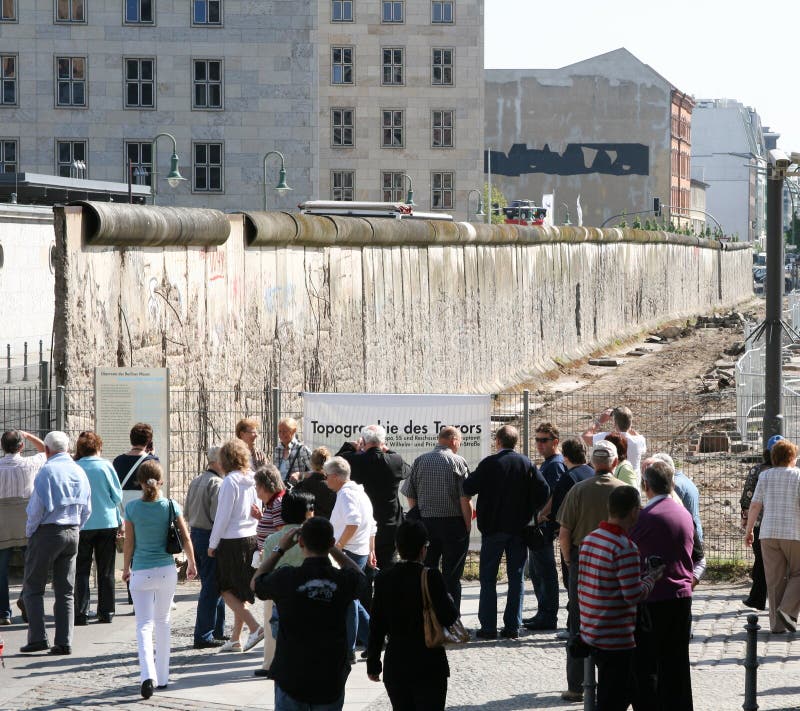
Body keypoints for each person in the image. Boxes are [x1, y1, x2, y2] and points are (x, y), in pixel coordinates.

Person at [254, 517, 368, 711]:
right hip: (329, 674)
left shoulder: (286, 577)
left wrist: (279, 550)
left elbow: (255, 584)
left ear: (300, 542)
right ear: (331, 543)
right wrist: (335, 550)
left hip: (292, 673)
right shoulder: (342, 580)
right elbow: (361, 578)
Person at [578, 486, 663, 711]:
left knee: (617, 692)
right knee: (612, 699)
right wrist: (651, 578)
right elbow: (632, 595)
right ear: (634, 512)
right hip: (615, 637)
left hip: (591, 629)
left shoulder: (591, 538)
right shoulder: (625, 548)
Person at [462, 425, 549, 639]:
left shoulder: (489, 464)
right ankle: (512, 626)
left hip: (492, 529)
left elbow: (467, 487)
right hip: (519, 530)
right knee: (516, 578)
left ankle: (489, 627)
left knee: (488, 579)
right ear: (516, 442)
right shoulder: (526, 463)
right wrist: (531, 512)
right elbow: (544, 490)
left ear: (498, 442)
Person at [556, 440, 625, 703]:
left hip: (582, 561)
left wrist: (568, 560)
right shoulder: (624, 489)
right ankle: (613, 684)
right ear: (615, 462)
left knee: (578, 619)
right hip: (615, 560)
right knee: (613, 618)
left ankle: (577, 685)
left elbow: (564, 533)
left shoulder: (577, 490)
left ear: (592, 464)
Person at [122, 460, 197, 698]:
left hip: (141, 571)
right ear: (161, 481)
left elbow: (129, 543)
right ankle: (163, 677)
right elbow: (185, 538)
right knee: (163, 622)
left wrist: (126, 568)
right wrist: (192, 563)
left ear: (140, 483)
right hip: (166, 570)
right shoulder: (171, 506)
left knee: (144, 625)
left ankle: (147, 675)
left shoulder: (132, 508)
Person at [367, 519, 459, 711]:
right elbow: (449, 617)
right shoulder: (431, 576)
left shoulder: (384, 578)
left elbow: (377, 624)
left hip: (397, 661)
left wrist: (373, 662)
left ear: (398, 547)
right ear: (423, 549)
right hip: (429, 662)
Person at [630, 460, 699, 711]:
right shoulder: (684, 513)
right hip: (682, 594)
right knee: (677, 663)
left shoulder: (645, 517)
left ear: (646, 486)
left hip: (655, 597)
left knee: (650, 665)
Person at [20, 431, 92, 655]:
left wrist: (31, 533)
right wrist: (76, 527)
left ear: (47, 450)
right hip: (72, 531)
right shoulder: (79, 471)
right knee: (65, 590)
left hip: (48, 531)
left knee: (33, 587)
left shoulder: (47, 471)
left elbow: (36, 509)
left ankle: (38, 638)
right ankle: (64, 641)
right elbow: (87, 508)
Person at [401, 425, 472, 611]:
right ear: (453, 440)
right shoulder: (458, 461)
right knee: (452, 576)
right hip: (453, 524)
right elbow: (465, 499)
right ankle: (451, 618)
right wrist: (466, 526)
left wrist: (418, 511)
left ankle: (427, 615)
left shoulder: (420, 461)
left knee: (426, 572)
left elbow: (409, 493)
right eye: (459, 442)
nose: (459, 446)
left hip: (426, 524)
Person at [250, 489, 316, 678]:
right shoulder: (312, 536)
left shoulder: (273, 539)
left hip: (277, 589)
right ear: (308, 511)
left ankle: (270, 663)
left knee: (272, 627)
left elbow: (265, 567)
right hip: (307, 589)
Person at [209, 438, 263, 653]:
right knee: (241, 590)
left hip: (232, 539)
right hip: (251, 536)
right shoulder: (252, 478)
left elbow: (222, 516)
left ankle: (254, 626)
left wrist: (213, 544)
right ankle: (235, 638)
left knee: (224, 588)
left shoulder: (229, 481)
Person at [745, 438, 800, 633]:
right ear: (792, 456)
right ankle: (787, 610)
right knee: (798, 573)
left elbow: (755, 504)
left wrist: (749, 529)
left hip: (768, 533)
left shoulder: (765, 476)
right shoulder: (798, 476)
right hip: (794, 533)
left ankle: (776, 625)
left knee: (774, 580)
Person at [325, 455, 376, 661]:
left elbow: (353, 522)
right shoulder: (359, 491)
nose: (326, 480)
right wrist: (371, 549)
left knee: (349, 602)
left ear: (336, 476)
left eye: (327, 476)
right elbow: (372, 524)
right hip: (360, 550)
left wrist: (338, 547)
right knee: (353, 600)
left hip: (350, 552)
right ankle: (373, 640)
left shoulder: (346, 494)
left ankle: (348, 650)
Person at [344, 424, 411, 571]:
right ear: (383, 442)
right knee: (388, 568)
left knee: (363, 570)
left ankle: (365, 593)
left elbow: (336, 463)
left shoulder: (353, 461)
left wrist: (350, 446)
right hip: (389, 523)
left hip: (362, 525)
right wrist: (388, 450)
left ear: (363, 441)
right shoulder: (394, 460)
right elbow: (408, 470)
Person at [74, 430, 122, 625]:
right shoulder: (106, 466)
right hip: (106, 522)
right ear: (98, 447)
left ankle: (81, 612)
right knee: (106, 570)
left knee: (81, 569)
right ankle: (106, 611)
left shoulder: (75, 467)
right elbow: (117, 496)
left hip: (82, 523)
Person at [0, 429, 46, 625]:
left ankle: (3, 613)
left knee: (1, 568)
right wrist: (28, 435)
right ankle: (27, 598)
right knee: (32, 564)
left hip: (2, 520)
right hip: (26, 519)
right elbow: (46, 449)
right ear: (21, 446)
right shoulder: (30, 464)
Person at [524, 422, 566, 631]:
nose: (539, 444)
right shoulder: (550, 462)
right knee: (537, 569)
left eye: (544, 440)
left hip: (544, 527)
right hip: (541, 525)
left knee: (545, 571)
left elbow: (555, 495)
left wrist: (541, 516)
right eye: (537, 440)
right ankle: (543, 612)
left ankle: (548, 615)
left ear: (555, 442)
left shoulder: (556, 464)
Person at [184, 444, 227, 648]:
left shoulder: (196, 480)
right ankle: (204, 634)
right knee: (212, 587)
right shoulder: (217, 484)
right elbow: (218, 517)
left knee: (212, 584)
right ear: (219, 462)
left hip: (196, 533)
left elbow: (186, 512)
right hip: (210, 535)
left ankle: (217, 629)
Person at [739, 436, 781, 611]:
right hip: (784, 525)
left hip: (760, 525)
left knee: (762, 562)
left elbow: (748, 497)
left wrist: (745, 519)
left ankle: (757, 598)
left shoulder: (758, 471)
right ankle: (768, 600)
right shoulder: (793, 472)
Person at [583, 406, 646, 489]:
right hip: (634, 488)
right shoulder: (639, 441)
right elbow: (636, 435)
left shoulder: (607, 437)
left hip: (613, 488)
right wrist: (627, 423)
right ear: (631, 422)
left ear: (615, 423)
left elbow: (585, 436)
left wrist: (599, 422)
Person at [113, 422, 158, 513]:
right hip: (144, 506)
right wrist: (153, 457)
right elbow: (156, 484)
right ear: (149, 442)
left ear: (131, 439)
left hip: (123, 508)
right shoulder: (152, 461)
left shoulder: (118, 460)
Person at [292, 446, 337, 519]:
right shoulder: (332, 487)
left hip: (308, 526)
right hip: (326, 526)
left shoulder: (302, 485)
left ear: (312, 464)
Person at [252, 465, 286, 556]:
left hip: (273, 560)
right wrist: (260, 517)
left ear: (264, 486)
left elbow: (284, 535)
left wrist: (272, 552)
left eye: (256, 484)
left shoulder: (277, 503)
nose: (255, 487)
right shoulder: (273, 502)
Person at [273, 417, 312, 484]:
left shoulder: (302, 449)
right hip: (281, 491)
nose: (281, 434)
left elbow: (316, 472)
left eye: (285, 431)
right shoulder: (277, 450)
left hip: (298, 492)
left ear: (294, 431)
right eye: (279, 431)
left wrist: (300, 475)